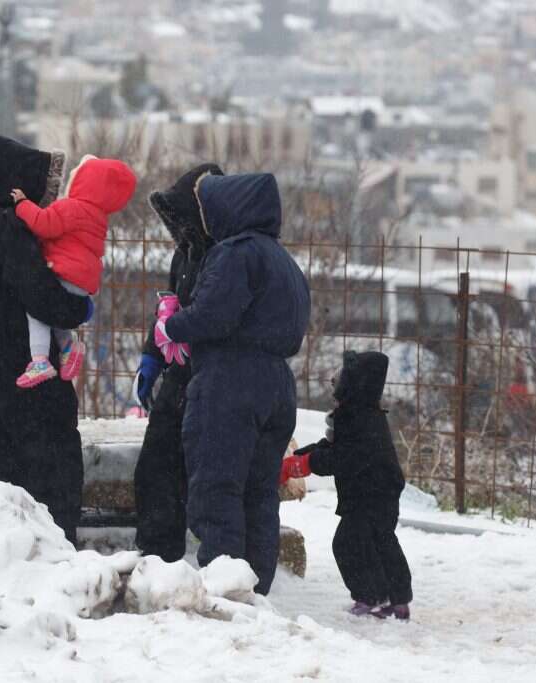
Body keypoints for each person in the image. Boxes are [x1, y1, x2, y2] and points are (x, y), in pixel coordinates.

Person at [157, 172, 311, 595]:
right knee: (259, 493)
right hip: (277, 384)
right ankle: (256, 587)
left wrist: (172, 324)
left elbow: (212, 315)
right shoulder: (284, 262)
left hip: (230, 380)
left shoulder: (234, 253)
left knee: (217, 486)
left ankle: (225, 588)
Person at [0, 134, 94, 543]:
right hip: (30, 380)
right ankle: (56, 557)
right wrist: (78, 308)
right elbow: (42, 298)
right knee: (49, 486)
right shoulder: (11, 230)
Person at [132, 162, 224, 562]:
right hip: (177, 374)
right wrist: (150, 357)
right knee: (155, 464)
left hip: (208, 376)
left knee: (203, 475)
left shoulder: (222, 257)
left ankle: (215, 560)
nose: (180, 227)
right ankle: (156, 553)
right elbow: (166, 312)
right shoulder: (183, 254)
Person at [281, 351, 413, 620]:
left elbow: (343, 457)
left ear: (356, 384)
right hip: (377, 491)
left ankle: (370, 597)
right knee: (381, 543)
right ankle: (396, 599)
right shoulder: (360, 414)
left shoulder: (359, 419)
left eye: (341, 378)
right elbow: (333, 446)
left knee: (348, 544)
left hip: (371, 494)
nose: (334, 382)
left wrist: (307, 463)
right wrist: (304, 455)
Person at [10, 154, 136, 388]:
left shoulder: (72, 207)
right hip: (82, 283)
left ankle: (39, 361)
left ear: (83, 182)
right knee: (55, 313)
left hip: (65, 273)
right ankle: (68, 348)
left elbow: (44, 224)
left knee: (37, 310)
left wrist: (22, 204)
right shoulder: (98, 217)